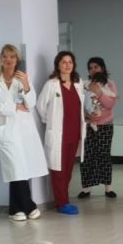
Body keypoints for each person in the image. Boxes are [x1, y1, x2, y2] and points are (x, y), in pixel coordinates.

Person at [0, 44, 48, 221]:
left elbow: (31, 103)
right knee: (16, 167)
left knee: (21, 170)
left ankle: (15, 209)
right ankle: (29, 204)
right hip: (6, 131)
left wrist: (27, 85)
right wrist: (14, 107)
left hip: (24, 130)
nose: (8, 60)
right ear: (1, 59)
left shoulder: (22, 79)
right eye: (5, 56)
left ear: (17, 60)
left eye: (12, 57)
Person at [37, 51, 86, 215]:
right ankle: (62, 202)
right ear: (58, 65)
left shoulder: (78, 83)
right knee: (58, 170)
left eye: (70, 62)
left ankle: (64, 199)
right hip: (59, 134)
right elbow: (41, 107)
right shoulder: (51, 84)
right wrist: (50, 122)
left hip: (75, 133)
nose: (67, 65)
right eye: (64, 62)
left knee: (68, 168)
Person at [78, 57, 118, 199]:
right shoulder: (85, 84)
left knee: (104, 155)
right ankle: (86, 189)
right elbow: (80, 104)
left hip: (105, 125)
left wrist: (99, 93)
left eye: (96, 67)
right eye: (90, 68)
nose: (93, 70)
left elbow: (110, 104)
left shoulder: (110, 84)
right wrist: (87, 116)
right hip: (88, 125)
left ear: (102, 68)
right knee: (87, 156)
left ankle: (108, 188)